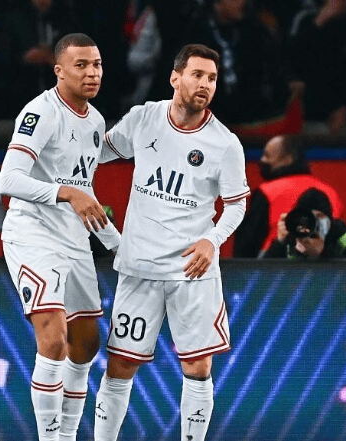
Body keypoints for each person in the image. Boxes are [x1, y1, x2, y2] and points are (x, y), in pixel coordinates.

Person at [94, 43, 250, 441]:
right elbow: (99, 153)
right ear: (175, 77)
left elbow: (236, 205)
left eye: (212, 78)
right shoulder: (144, 117)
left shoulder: (225, 143)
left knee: (198, 367)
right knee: (120, 365)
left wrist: (212, 241)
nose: (205, 84)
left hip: (192, 270)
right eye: (197, 75)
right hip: (140, 265)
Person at [0, 33, 120, 441]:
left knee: (86, 345)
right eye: (81, 65)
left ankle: (66, 434)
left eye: (97, 64)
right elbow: (9, 179)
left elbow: (84, 191)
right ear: (59, 71)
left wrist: (120, 245)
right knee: (53, 340)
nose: (92, 72)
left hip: (73, 238)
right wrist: (65, 192)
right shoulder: (40, 112)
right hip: (32, 233)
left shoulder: (96, 121)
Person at [233, 134, 343, 257]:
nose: (262, 160)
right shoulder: (329, 191)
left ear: (288, 159)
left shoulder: (267, 192)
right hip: (326, 262)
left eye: (267, 156)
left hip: (274, 261)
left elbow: (247, 244)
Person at [262, 187, 346, 259]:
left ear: (329, 220)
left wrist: (322, 253)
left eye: (319, 217)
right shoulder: (292, 239)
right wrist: (279, 243)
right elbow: (262, 278)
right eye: (307, 218)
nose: (313, 223)